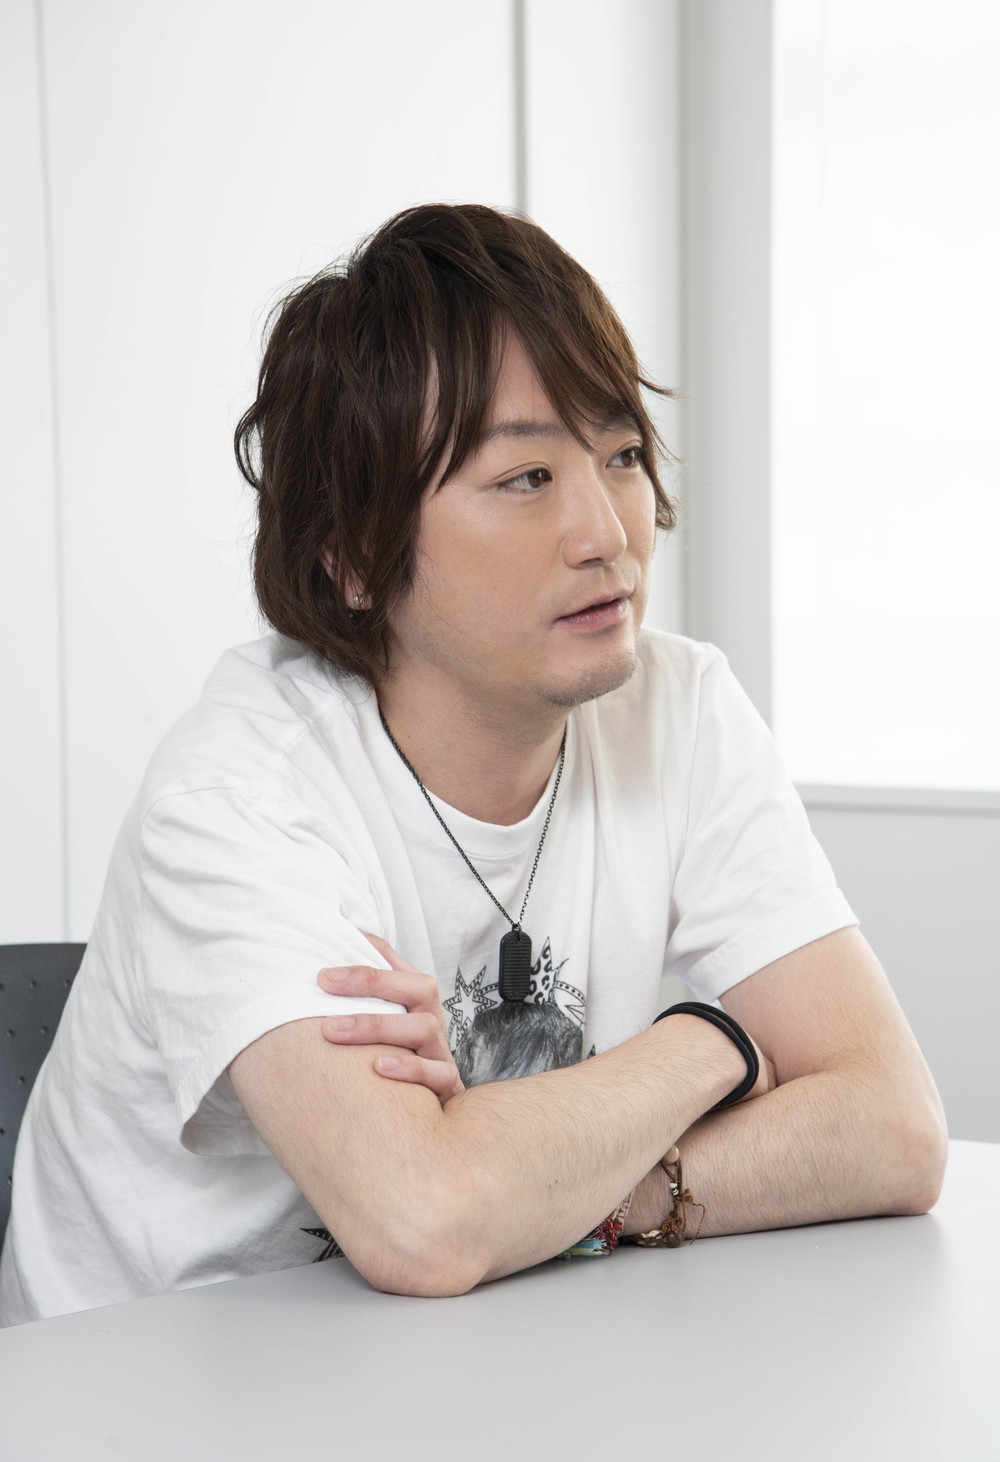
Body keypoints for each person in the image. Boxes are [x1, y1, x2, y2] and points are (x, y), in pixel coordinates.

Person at [0, 204, 947, 1323]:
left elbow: (893, 1127)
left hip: (478, 1347)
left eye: (621, 455)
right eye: (525, 478)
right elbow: (425, 1219)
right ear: (355, 555)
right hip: (147, 1387)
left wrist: (574, 1193)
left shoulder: (679, 709)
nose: (609, 534)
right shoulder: (237, 797)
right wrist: (711, 1044)